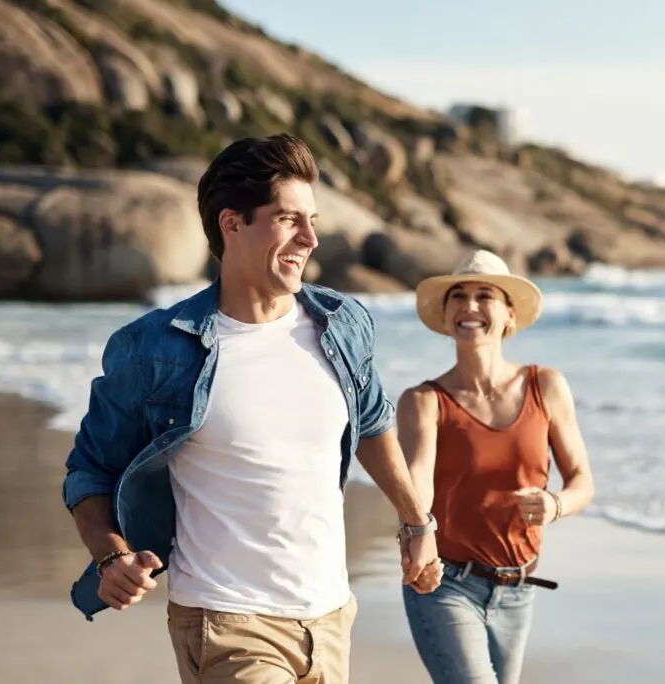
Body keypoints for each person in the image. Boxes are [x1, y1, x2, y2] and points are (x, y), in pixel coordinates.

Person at [61, 133, 442, 684]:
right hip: (225, 619)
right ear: (231, 223)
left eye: (311, 220)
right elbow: (90, 470)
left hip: (330, 616)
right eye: (289, 219)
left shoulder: (342, 324)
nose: (310, 238)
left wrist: (416, 522)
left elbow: (373, 421)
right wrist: (110, 556)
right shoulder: (155, 346)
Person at [396, 249, 596, 684]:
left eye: (484, 295)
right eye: (458, 297)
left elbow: (582, 480)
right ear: (447, 317)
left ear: (508, 315)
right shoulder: (424, 401)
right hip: (444, 582)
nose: (469, 306)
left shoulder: (546, 386)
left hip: (519, 588)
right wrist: (416, 532)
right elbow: (418, 482)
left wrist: (555, 505)